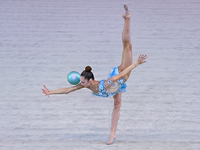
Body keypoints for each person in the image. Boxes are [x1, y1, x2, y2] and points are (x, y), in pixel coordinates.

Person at [42, 4, 148, 145]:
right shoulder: (86, 86)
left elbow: (121, 74)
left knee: (127, 45)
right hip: (115, 88)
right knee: (117, 105)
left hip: (122, 75)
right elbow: (68, 90)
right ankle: (112, 136)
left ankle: (127, 18)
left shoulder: (105, 83)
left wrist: (135, 64)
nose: (81, 84)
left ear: (90, 80)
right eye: (81, 82)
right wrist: (51, 92)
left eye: (83, 82)